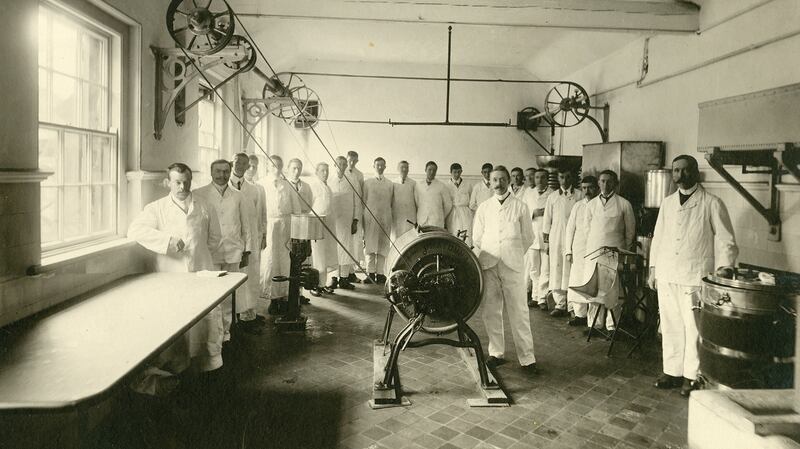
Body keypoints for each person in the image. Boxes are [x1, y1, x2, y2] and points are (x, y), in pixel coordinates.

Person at [127, 162, 224, 394]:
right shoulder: (156, 208)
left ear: (191, 181)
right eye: (177, 182)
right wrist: (167, 241)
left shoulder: (205, 205)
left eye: (186, 181)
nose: (182, 186)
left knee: (203, 323)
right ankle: (176, 373)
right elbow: (135, 231)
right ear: (167, 182)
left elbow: (215, 238)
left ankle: (204, 370)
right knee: (175, 324)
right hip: (171, 276)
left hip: (201, 271)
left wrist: (198, 253)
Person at [649, 155, 737, 397]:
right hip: (667, 273)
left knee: (693, 329)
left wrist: (725, 267)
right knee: (670, 325)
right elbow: (658, 237)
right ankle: (672, 371)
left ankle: (691, 376)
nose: (680, 175)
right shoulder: (667, 203)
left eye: (685, 171)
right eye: (676, 171)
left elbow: (726, 239)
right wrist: (653, 269)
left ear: (695, 172)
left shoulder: (712, 202)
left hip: (694, 275)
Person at [473, 165, 537, 374]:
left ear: (508, 181)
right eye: (494, 180)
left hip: (513, 265)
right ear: (490, 183)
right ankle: (496, 353)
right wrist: (494, 251)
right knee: (491, 311)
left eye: (502, 179)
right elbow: (477, 237)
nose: (498, 184)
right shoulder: (484, 207)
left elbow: (528, 237)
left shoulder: (521, 207)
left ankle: (527, 359)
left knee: (519, 312)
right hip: (489, 265)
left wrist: (511, 251)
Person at [194, 159, 253, 341]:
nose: (222, 175)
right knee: (211, 294)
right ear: (211, 172)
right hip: (209, 252)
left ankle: (225, 333)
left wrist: (247, 250)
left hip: (233, 250)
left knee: (228, 294)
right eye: (218, 171)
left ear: (230, 172)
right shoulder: (199, 194)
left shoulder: (238, 195)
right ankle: (212, 334)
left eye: (226, 171)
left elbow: (246, 225)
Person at [582, 170, 636, 332]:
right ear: (598, 183)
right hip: (594, 252)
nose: (606, 185)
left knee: (613, 289)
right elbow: (586, 229)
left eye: (609, 181)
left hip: (615, 251)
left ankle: (612, 325)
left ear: (615, 183)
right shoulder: (590, 205)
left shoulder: (624, 204)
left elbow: (630, 231)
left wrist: (622, 249)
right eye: (603, 181)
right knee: (593, 288)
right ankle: (594, 324)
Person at [231, 153, 266, 332]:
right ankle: (235, 317)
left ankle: (248, 314)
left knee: (251, 276)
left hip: (251, 238)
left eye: (245, 164)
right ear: (232, 162)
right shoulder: (225, 186)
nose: (241, 166)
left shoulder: (254, 189)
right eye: (237, 162)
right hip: (232, 240)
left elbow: (261, 214)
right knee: (235, 276)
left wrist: (263, 234)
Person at [542, 168, 583, 317]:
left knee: (572, 270)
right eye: (561, 177)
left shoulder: (579, 195)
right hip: (556, 237)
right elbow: (547, 220)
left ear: (572, 178)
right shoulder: (552, 197)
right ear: (558, 179)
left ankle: (572, 305)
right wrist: (546, 243)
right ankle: (560, 303)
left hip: (574, 237)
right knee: (556, 268)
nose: (564, 181)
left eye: (567, 177)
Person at [258, 155, 292, 315]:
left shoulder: (288, 185)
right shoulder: (261, 184)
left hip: (285, 226)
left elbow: (296, 208)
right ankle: (272, 298)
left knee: (284, 262)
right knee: (270, 261)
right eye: (273, 166)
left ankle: (284, 298)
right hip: (269, 225)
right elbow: (258, 210)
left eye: (279, 166)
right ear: (268, 167)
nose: (276, 169)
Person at [563, 176, 599, 326]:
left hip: (594, 249)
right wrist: (568, 250)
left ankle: (593, 319)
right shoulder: (578, 206)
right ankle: (580, 314)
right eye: (584, 188)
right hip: (578, 249)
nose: (587, 191)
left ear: (596, 188)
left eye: (590, 187)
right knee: (577, 280)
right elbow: (570, 229)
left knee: (591, 281)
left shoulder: (599, 205)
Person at [522, 168, 553, 308]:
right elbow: (522, 212)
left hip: (547, 237)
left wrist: (545, 212)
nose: (540, 180)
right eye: (537, 177)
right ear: (534, 179)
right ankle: (534, 296)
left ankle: (542, 299)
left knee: (546, 269)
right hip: (533, 235)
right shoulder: (528, 193)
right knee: (534, 269)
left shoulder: (552, 194)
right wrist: (533, 213)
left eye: (543, 177)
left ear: (547, 179)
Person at [362, 157, 394, 283]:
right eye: (377, 165)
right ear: (373, 166)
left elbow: (390, 202)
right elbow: (364, 201)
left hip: (385, 218)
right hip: (371, 219)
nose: (380, 167)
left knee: (382, 246)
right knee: (370, 246)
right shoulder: (367, 183)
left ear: (385, 167)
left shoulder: (389, 184)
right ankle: (370, 273)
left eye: (382, 165)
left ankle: (380, 273)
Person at [329, 156, 359, 290]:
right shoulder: (329, 181)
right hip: (334, 220)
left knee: (346, 248)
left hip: (347, 220)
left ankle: (344, 279)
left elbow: (357, 202)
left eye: (343, 164)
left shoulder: (353, 181)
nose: (341, 166)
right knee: (334, 248)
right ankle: (334, 278)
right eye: (339, 164)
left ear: (346, 166)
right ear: (335, 165)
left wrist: (355, 220)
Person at [309, 162, 338, 296]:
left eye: (327, 171)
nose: (325, 173)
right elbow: (309, 207)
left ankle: (323, 284)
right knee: (318, 256)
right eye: (322, 171)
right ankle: (315, 286)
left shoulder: (328, 188)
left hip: (329, 225)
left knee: (326, 255)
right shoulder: (313, 186)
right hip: (317, 226)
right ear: (316, 172)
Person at [344, 150, 365, 283]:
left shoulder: (359, 175)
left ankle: (351, 273)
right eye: (349, 160)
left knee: (355, 245)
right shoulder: (341, 174)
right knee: (343, 244)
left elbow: (360, 195)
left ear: (357, 161)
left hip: (355, 213)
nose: (351, 163)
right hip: (344, 213)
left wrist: (356, 217)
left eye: (354, 161)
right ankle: (340, 275)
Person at [414, 161, 453, 228]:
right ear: (425, 170)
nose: (432, 172)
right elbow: (416, 202)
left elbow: (448, 205)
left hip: (436, 221)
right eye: (430, 170)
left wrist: (440, 215)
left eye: (434, 170)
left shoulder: (441, 186)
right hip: (422, 220)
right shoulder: (418, 185)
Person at [446, 162, 474, 246]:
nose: (457, 174)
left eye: (459, 172)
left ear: (461, 171)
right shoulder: (446, 186)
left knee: (467, 233)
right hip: (452, 212)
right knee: (454, 233)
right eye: (454, 172)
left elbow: (472, 201)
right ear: (450, 172)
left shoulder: (468, 185)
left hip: (466, 212)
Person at [391, 160, 416, 240]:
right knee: (396, 240)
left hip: (410, 218)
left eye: (406, 168)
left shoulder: (413, 183)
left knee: (410, 240)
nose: (404, 170)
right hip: (397, 217)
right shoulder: (393, 183)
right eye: (402, 167)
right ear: (398, 169)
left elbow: (417, 201)